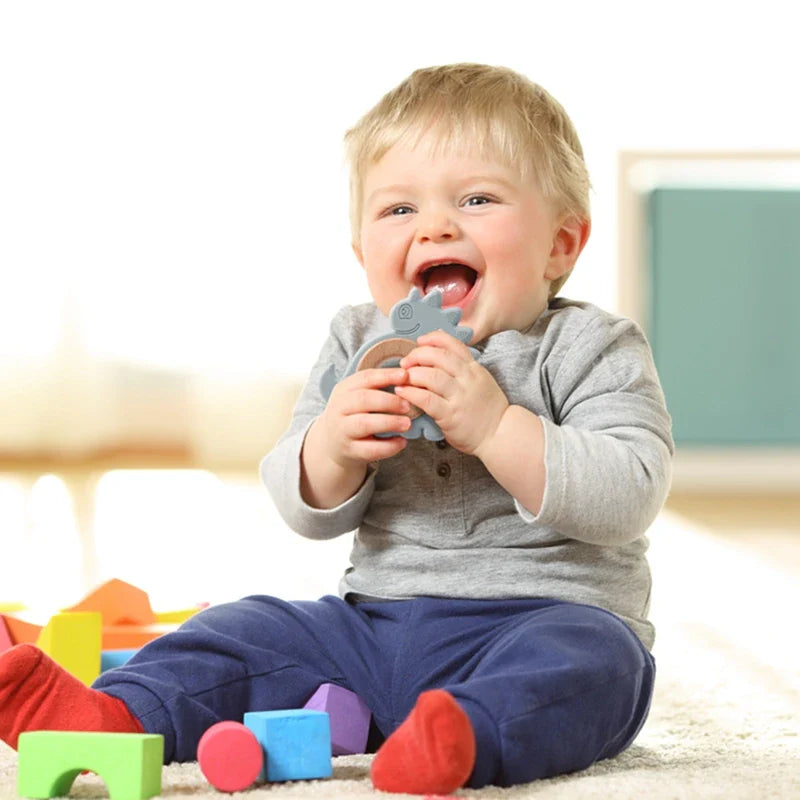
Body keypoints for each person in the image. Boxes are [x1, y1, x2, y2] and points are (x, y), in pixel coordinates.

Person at [0, 63, 673, 794]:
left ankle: (460, 739)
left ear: (562, 244)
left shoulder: (590, 347)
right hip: (371, 628)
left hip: (540, 620)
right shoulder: (359, 341)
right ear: (362, 255)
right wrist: (332, 445)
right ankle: (115, 717)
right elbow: (301, 504)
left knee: (595, 667)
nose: (436, 226)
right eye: (398, 210)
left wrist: (495, 424)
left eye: (478, 199)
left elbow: (627, 495)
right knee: (248, 628)